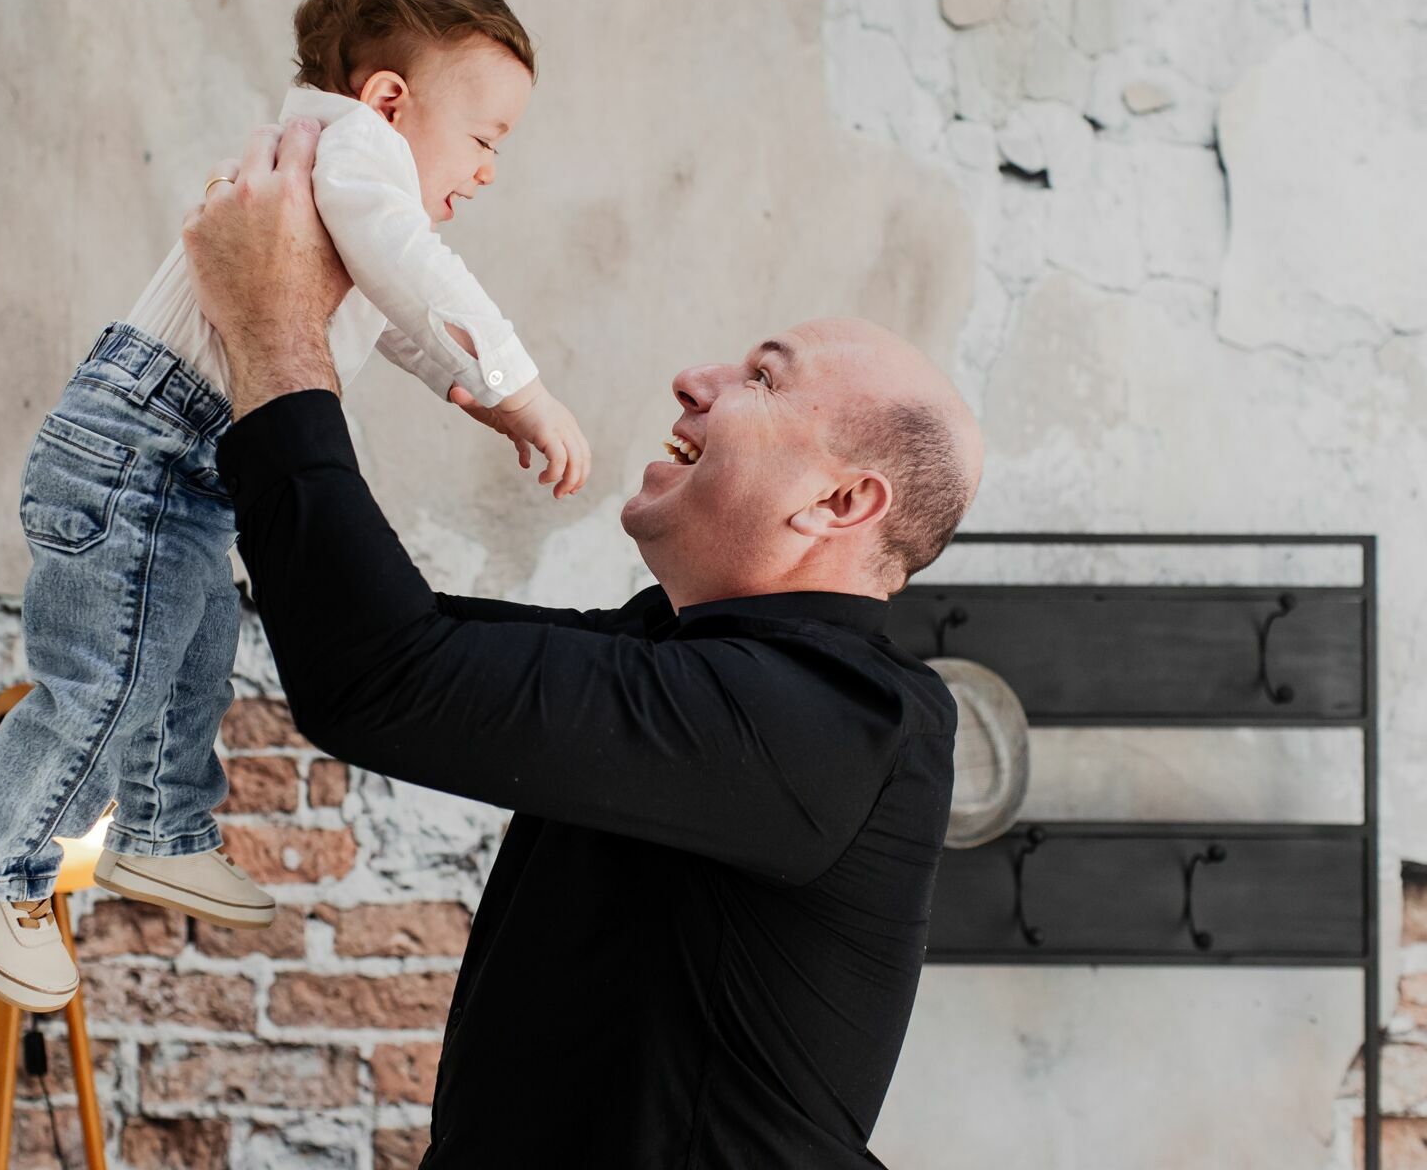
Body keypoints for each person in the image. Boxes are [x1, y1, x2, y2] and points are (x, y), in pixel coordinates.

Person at [179, 119, 985, 1168]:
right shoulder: (683, 654)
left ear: (841, 502)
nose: (694, 379)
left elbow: (379, 675)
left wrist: (275, 327)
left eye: (763, 378)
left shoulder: (833, 721)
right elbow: (390, 638)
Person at [0, 0, 588, 1015]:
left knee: (191, 658)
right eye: (485, 138)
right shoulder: (355, 147)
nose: (490, 169)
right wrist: (524, 386)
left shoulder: (328, 163)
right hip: (140, 448)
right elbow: (416, 274)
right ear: (390, 99)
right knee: (110, 680)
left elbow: (387, 308)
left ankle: (164, 830)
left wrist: (469, 389)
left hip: (180, 459)